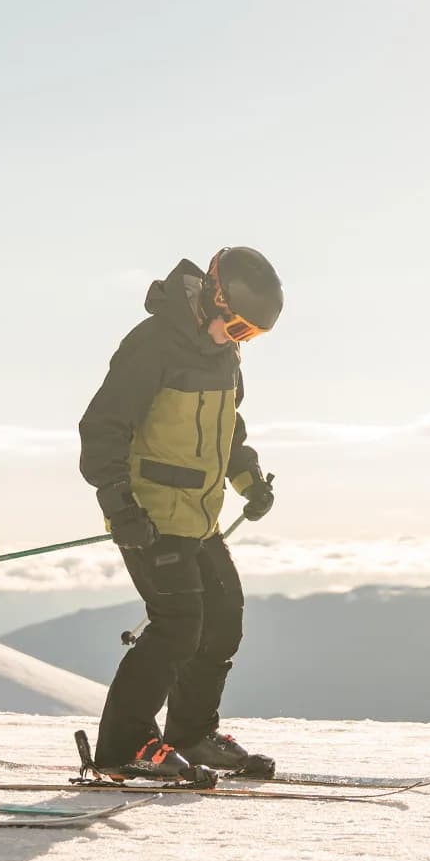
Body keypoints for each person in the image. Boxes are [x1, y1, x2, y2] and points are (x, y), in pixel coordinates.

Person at [78, 248, 282, 780]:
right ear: (214, 298)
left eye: (251, 334)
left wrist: (248, 480)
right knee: (176, 626)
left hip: (199, 516)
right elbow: (101, 428)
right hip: (147, 514)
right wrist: (119, 503)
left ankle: (191, 732)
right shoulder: (152, 346)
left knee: (223, 620)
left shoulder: (223, 355)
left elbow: (226, 431)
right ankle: (124, 746)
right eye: (237, 324)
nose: (239, 338)